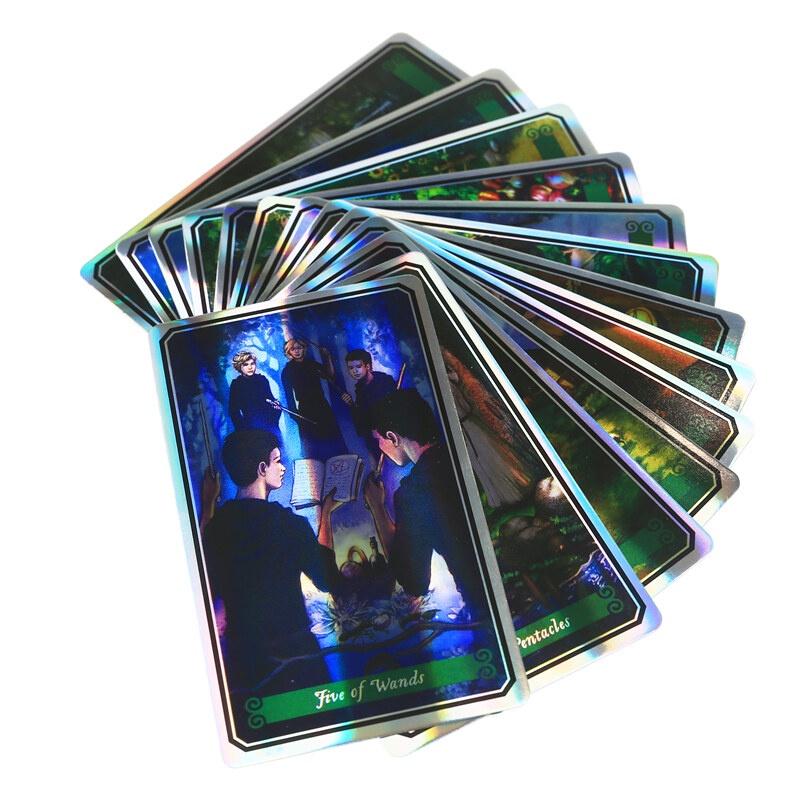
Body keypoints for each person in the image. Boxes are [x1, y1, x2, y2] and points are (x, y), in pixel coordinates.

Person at [201, 429, 343, 695]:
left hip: (246, 663)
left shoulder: (217, 528)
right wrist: (325, 515)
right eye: (277, 461)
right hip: (296, 658)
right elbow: (327, 580)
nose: (282, 468)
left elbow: (207, 584)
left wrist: (208, 504)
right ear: (261, 468)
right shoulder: (290, 525)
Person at [363, 389, 486, 616]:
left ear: (393, 437)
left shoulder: (412, 493)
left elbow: (413, 581)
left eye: (379, 440)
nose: (380, 448)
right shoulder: (462, 450)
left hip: (482, 601)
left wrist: (377, 508)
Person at [281, 338, 347, 461]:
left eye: (299, 348)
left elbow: (329, 375)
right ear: (289, 352)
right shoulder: (287, 371)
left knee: (332, 440)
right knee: (313, 448)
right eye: (293, 349)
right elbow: (289, 396)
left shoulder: (311, 364)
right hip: (305, 411)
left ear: (304, 349)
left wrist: (327, 357)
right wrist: (296, 416)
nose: (297, 351)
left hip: (322, 406)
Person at [340, 348, 396, 464]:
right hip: (376, 441)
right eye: (351, 368)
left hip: (393, 438)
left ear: (368, 366)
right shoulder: (360, 390)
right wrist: (351, 405)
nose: (355, 371)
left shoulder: (384, 382)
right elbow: (363, 420)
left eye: (358, 366)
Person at [228, 351, 282, 434]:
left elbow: (270, 399)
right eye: (246, 364)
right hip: (250, 427)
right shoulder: (236, 384)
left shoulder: (262, 379)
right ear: (239, 366)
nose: (250, 367)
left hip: (270, 424)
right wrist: (242, 430)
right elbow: (233, 410)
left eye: (252, 364)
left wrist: (277, 406)